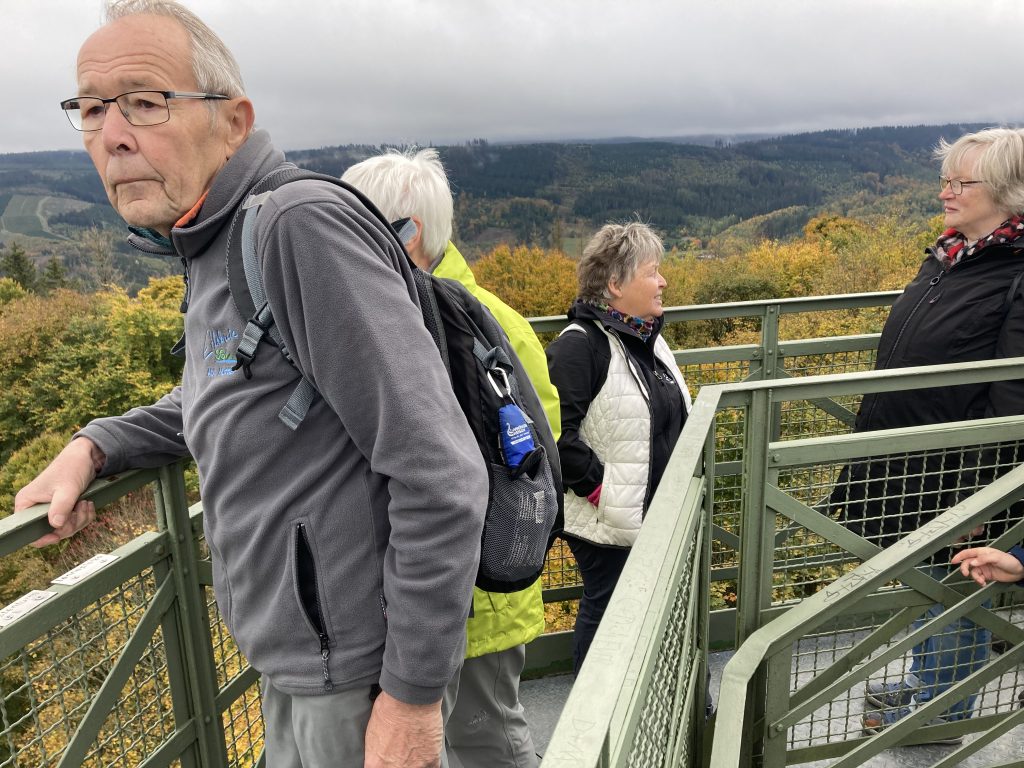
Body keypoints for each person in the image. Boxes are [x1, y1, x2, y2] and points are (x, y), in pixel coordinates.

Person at [16, 2, 489, 766]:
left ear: (232, 122)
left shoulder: (295, 227)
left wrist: (410, 698)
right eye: (94, 107)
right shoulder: (211, 243)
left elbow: (440, 469)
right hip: (303, 664)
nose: (113, 134)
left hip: (360, 677)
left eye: (145, 101)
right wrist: (96, 444)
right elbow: (230, 387)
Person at [341, 147, 561, 768]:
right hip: (449, 588)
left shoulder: (468, 322)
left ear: (402, 233)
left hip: (479, 593)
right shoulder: (487, 318)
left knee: (487, 740)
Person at [824, 128, 1024, 741]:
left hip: (958, 468)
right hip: (908, 451)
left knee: (959, 576)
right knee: (924, 571)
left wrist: (982, 495)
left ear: (1009, 192)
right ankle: (926, 680)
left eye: (963, 183)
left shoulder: (1015, 271)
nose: (946, 193)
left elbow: (1014, 399)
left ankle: (941, 712)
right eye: (945, 180)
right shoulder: (950, 255)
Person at [545, 221, 691, 676]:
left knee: (649, 609)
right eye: (653, 272)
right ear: (615, 284)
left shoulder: (649, 341)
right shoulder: (579, 347)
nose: (663, 281)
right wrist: (604, 492)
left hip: (651, 512)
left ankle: (663, 698)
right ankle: (592, 726)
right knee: (608, 609)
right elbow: (555, 437)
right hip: (607, 521)